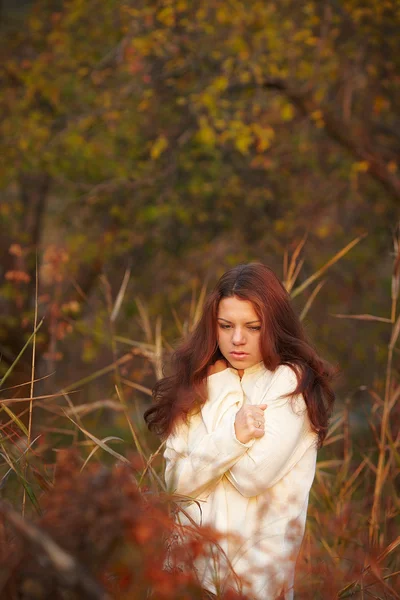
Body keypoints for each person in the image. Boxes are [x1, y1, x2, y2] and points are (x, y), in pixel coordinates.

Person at [144, 263, 336, 599]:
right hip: (187, 579)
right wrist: (231, 421)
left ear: (274, 326)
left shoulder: (290, 383)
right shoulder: (195, 386)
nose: (237, 339)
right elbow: (175, 485)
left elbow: (251, 478)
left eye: (253, 327)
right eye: (226, 325)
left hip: (255, 585)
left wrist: (221, 401)